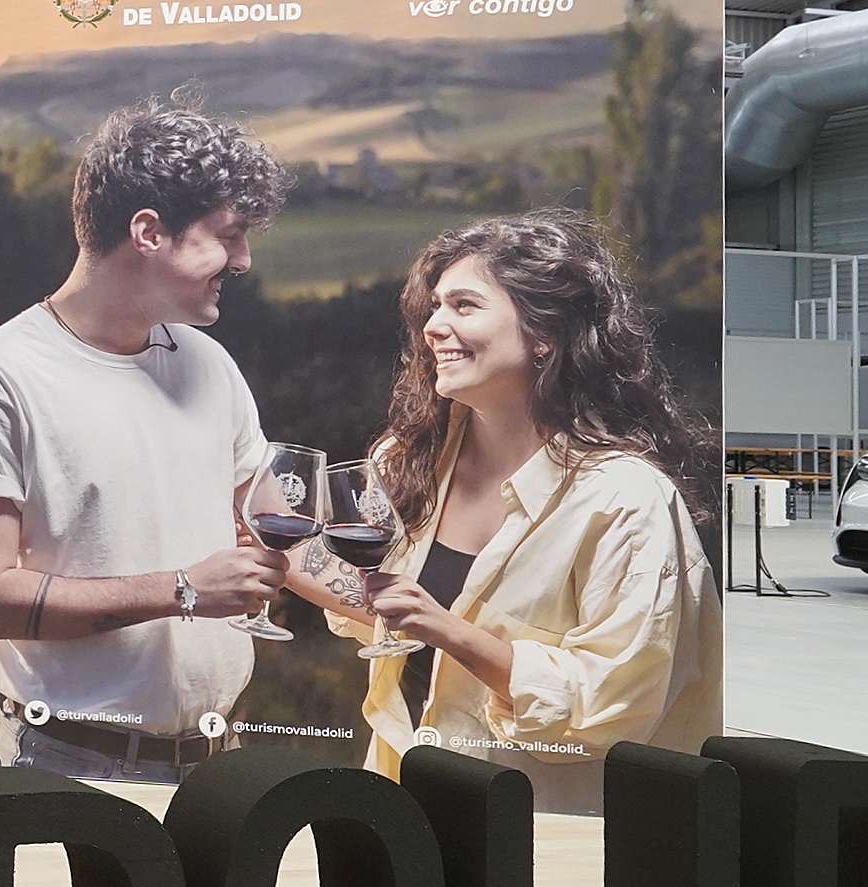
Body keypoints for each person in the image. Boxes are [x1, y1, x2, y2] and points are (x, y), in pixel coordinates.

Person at [287, 211, 724, 813]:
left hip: (541, 827)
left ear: (545, 333)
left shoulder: (624, 499)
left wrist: (451, 631)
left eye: (464, 306)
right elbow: (388, 609)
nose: (434, 326)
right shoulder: (407, 461)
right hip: (404, 804)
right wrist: (280, 557)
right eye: (434, 307)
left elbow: (617, 703)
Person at [0, 96, 296, 783]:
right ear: (148, 232)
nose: (243, 260)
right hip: (62, 766)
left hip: (215, 764)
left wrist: (400, 597)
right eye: (229, 235)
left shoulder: (208, 363)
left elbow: (276, 527)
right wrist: (184, 589)